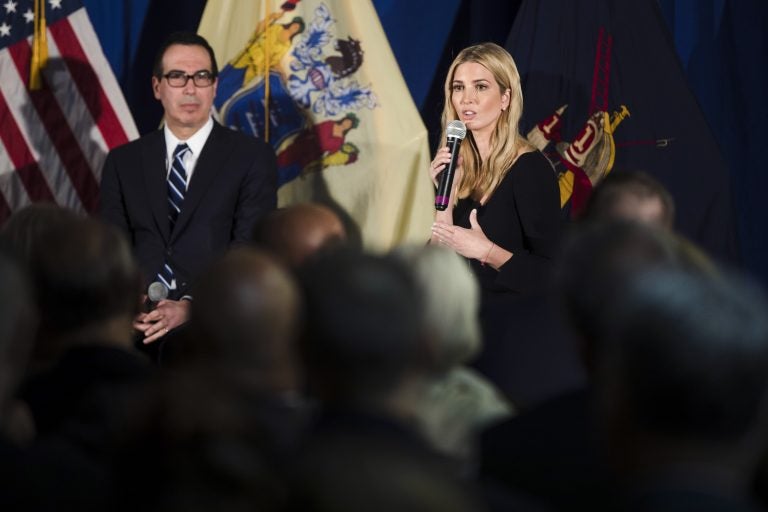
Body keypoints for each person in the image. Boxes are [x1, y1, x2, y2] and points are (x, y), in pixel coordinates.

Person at [100, 32, 278, 346]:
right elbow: (112, 248)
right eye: (178, 77)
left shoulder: (251, 157)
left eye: (201, 77)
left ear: (215, 86)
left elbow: (248, 252)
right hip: (134, 331)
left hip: (214, 332)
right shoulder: (122, 161)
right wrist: (127, 303)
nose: (190, 88)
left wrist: (194, 308)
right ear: (158, 87)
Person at [428, 42, 562, 404]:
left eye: (480, 87)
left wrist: (487, 251)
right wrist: (445, 201)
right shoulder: (456, 166)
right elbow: (435, 267)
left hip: (513, 337)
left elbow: (554, 274)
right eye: (459, 87)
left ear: (505, 98)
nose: (466, 99)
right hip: (459, 336)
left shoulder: (530, 170)